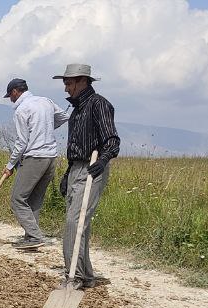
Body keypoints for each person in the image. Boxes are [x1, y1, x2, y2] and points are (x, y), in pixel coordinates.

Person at [53, 63, 119, 289]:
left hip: (92, 169)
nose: (66, 89)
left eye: (69, 83)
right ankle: (87, 275)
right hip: (76, 169)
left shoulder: (99, 104)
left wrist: (103, 160)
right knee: (79, 223)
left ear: (83, 81)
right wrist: (67, 173)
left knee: (75, 222)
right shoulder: (77, 109)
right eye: (65, 83)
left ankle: (74, 277)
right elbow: (75, 145)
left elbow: (112, 140)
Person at [1, 78, 68, 250]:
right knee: (34, 200)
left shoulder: (22, 110)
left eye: (10, 96)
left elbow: (21, 143)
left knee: (17, 198)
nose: (11, 99)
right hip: (51, 158)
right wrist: (45, 128)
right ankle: (31, 238)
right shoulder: (46, 101)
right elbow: (64, 117)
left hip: (34, 157)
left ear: (15, 91)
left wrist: (9, 166)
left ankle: (35, 236)